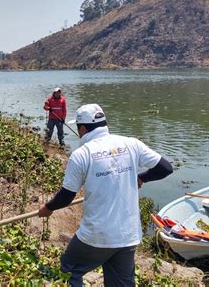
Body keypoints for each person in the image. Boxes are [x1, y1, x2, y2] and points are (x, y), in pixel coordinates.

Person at [38, 104, 173, 286]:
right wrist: (142, 177)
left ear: (83, 128)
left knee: (68, 270)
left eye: (78, 129)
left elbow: (67, 196)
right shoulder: (131, 143)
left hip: (96, 236)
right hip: (127, 236)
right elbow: (165, 168)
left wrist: (48, 208)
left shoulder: (81, 154)